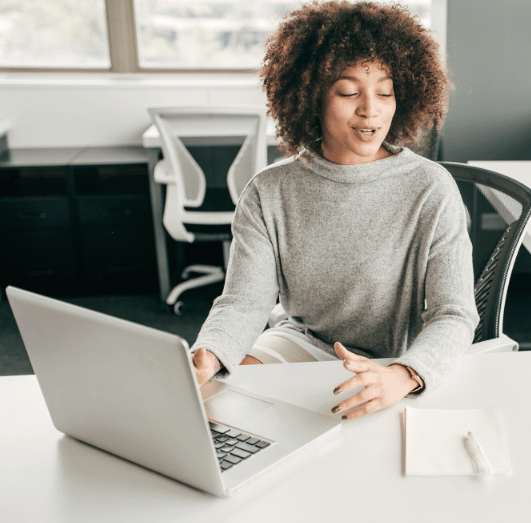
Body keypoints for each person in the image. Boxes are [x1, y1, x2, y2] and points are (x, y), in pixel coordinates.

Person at [189, 1, 478, 420]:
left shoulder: (431, 189)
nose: (370, 109)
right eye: (348, 92)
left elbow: (454, 313)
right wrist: (210, 353)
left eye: (385, 91)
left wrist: (405, 373)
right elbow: (243, 303)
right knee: (215, 403)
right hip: (302, 341)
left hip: (397, 357)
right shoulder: (269, 192)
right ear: (311, 97)